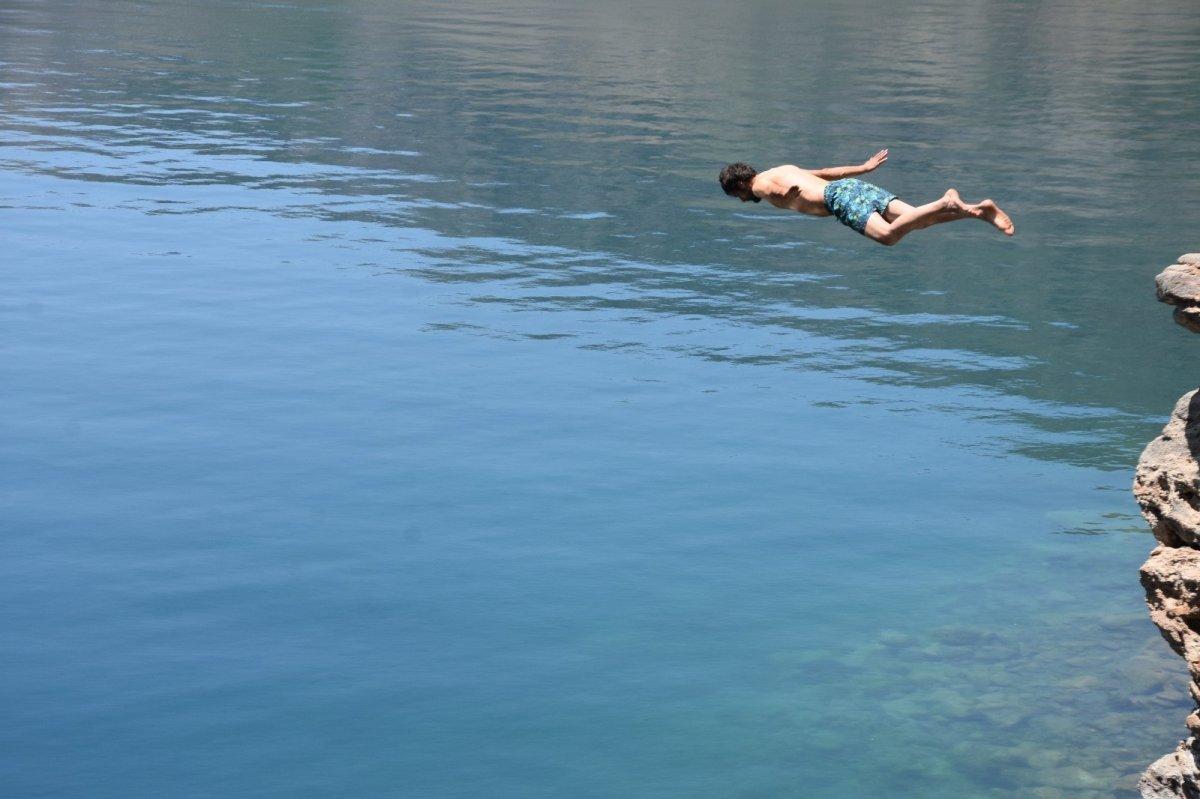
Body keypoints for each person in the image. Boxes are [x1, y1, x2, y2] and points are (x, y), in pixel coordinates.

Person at [718, 150, 1014, 245]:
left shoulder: (759, 185)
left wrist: (785, 195)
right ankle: (978, 211)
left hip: (839, 200)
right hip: (853, 187)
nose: (743, 199)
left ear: (741, 183)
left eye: (738, 194)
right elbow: (824, 171)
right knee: (918, 221)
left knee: (887, 236)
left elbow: (774, 192)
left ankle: (947, 200)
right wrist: (864, 167)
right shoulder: (783, 168)